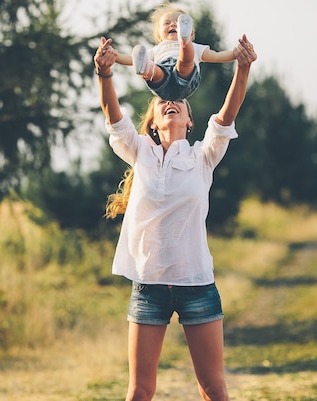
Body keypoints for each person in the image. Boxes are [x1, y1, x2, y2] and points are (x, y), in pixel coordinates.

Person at [93, 32, 257, 401]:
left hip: (196, 283)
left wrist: (242, 68)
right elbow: (112, 116)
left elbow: (228, 114)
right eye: (163, 101)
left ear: (188, 120)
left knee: (213, 388)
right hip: (148, 286)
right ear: (152, 122)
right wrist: (105, 74)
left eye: (178, 102)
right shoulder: (141, 153)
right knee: (139, 391)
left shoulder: (203, 157)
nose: (170, 102)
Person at [112, 3, 235, 101]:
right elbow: (131, 60)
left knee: (185, 62)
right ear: (159, 35)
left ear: (190, 33)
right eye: (167, 23)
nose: (172, 24)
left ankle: (184, 43)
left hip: (186, 79)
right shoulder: (157, 49)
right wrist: (115, 55)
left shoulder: (196, 47)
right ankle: (145, 69)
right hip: (163, 81)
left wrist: (234, 54)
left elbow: (216, 56)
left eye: (178, 23)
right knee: (155, 71)